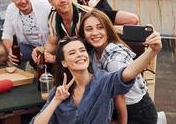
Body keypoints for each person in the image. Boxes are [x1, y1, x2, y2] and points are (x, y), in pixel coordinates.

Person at [32, 31, 161, 123]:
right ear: (64, 62)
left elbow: (127, 73)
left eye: (82, 50)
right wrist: (56, 100)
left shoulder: (103, 81)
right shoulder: (59, 91)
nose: (79, 55)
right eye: (72, 52)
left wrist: (152, 51)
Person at [78, 9, 158, 124]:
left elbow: (119, 98)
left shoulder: (114, 61)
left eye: (100, 27)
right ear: (84, 34)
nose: (95, 33)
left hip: (137, 112)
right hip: (118, 107)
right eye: (89, 29)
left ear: (108, 30)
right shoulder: (92, 52)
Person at [0, 0, 51, 66]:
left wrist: (45, 51)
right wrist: (10, 52)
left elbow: (55, 35)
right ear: (12, 0)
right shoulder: (11, 9)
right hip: (27, 47)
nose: (23, 1)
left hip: (48, 46)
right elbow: (7, 35)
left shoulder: (45, 5)